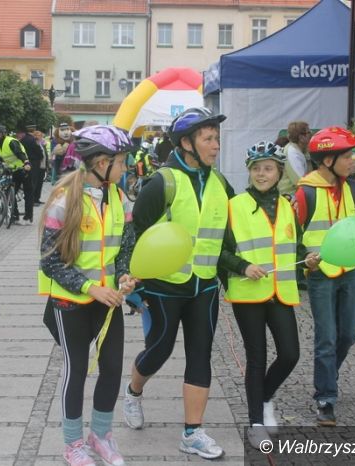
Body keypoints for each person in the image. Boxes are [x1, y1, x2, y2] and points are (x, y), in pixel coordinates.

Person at [123, 107, 234, 460]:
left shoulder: (220, 183)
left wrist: (234, 274)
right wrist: (135, 288)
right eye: (208, 138)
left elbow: (228, 235)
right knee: (160, 349)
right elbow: (134, 235)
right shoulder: (162, 183)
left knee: (200, 354)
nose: (216, 145)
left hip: (204, 287)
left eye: (216, 138)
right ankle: (134, 391)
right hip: (164, 287)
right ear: (186, 143)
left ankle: (192, 432)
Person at [38, 125, 137, 466]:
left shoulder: (120, 198)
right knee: (76, 370)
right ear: (101, 163)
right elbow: (50, 261)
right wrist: (90, 287)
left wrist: (124, 275)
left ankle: (101, 435)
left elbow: (125, 249)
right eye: (121, 162)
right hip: (71, 301)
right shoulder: (64, 200)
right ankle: (73, 444)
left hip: (108, 300)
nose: (126, 167)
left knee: (112, 368)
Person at [223, 141, 319, 447]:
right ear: (249, 172)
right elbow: (220, 252)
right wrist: (243, 266)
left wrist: (308, 258)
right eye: (256, 169)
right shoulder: (234, 206)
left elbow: (295, 245)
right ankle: (255, 422)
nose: (261, 174)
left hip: (281, 292)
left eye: (268, 168)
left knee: (290, 354)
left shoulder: (288, 207)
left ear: (279, 172)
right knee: (257, 358)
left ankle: (263, 398)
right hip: (248, 293)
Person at [294, 126, 355, 427]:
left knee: (348, 335)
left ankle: (328, 375)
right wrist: (304, 259)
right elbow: (291, 235)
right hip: (321, 275)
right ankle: (326, 397)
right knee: (327, 337)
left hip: (351, 271)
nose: (352, 161)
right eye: (347, 156)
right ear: (327, 160)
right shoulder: (305, 192)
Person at [0, 124, 33, 225]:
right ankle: (14, 216)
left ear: (2, 134)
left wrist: (26, 163)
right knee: (9, 193)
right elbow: (1, 159)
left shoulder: (11, 141)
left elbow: (20, 153)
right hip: (13, 171)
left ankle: (28, 217)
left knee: (28, 194)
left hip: (24, 169)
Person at [278, 121, 313, 196]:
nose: (311, 134)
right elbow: (300, 181)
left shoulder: (300, 150)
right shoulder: (292, 152)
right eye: (309, 132)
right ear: (301, 137)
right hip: (289, 196)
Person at [21, 124, 44, 205]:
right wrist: (41, 156)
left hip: (26, 162)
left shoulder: (23, 139)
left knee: (30, 181)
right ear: (33, 130)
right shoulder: (33, 140)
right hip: (34, 162)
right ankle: (32, 200)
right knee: (33, 181)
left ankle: (34, 199)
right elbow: (37, 150)